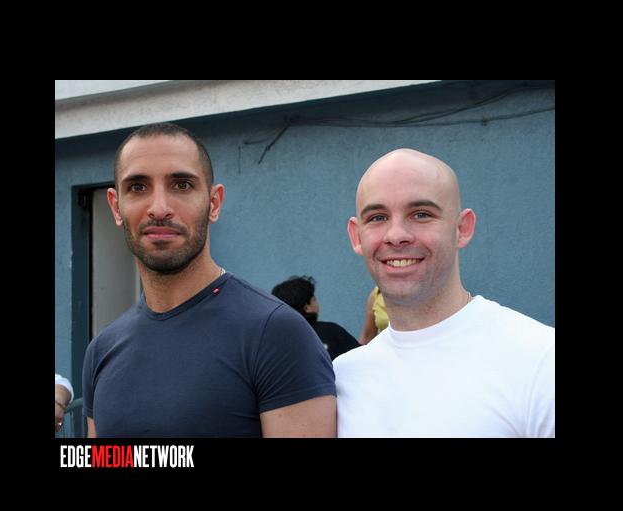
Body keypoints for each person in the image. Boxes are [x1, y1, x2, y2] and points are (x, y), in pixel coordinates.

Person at [82, 123, 336, 437]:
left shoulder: (276, 334)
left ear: (214, 203)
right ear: (116, 206)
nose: (159, 208)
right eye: (137, 187)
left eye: (181, 185)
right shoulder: (101, 351)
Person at [334, 148, 554, 437]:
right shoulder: (342, 378)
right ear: (356, 235)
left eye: (421, 214)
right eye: (377, 217)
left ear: (463, 228)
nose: (396, 235)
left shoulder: (541, 360)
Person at [271, 276, 360, 360]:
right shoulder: (331, 330)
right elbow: (360, 358)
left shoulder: (278, 345)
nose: (317, 303)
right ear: (307, 308)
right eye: (314, 299)